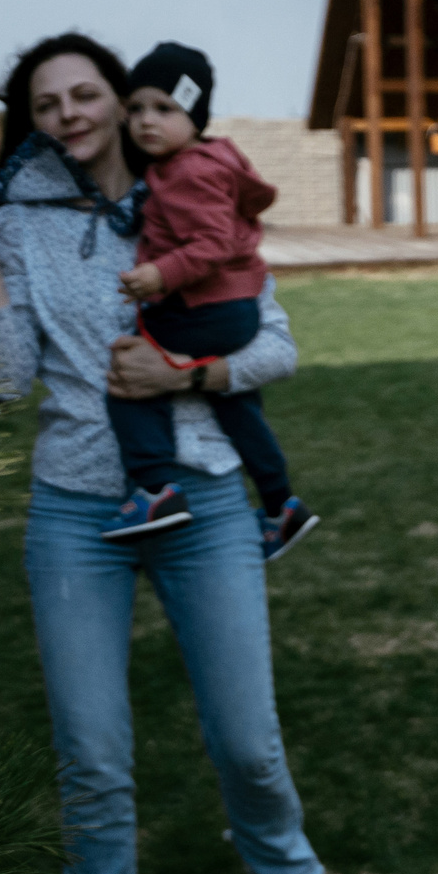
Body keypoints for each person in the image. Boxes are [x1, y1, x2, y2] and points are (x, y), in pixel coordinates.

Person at [0, 31, 355, 874]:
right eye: (47, 103)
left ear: (125, 101)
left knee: (248, 740)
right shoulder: (21, 219)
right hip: (78, 509)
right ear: (29, 120)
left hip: (203, 498)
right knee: (91, 753)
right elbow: (1, 385)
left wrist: (191, 378)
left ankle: (284, 867)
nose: (70, 114)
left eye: (87, 94)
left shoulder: (188, 186)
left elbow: (277, 344)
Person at [103, 41, 313, 561]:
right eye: (135, 109)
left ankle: (155, 491)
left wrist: (159, 274)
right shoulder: (212, 160)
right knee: (238, 405)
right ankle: (281, 504)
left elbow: (213, 242)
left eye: (164, 109)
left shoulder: (189, 171)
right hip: (235, 309)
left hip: (205, 308)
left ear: (194, 116)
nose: (146, 121)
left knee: (131, 377)